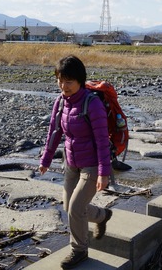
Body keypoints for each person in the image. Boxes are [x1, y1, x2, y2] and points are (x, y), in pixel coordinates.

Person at [39, 55, 113, 269]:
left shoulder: (93, 104)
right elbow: (54, 131)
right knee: (69, 206)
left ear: (80, 81)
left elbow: (101, 141)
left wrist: (103, 173)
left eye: (69, 81)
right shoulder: (61, 101)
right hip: (71, 162)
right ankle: (102, 216)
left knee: (75, 208)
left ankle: (79, 250)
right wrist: (46, 158)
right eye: (60, 80)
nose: (64, 86)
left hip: (91, 165)